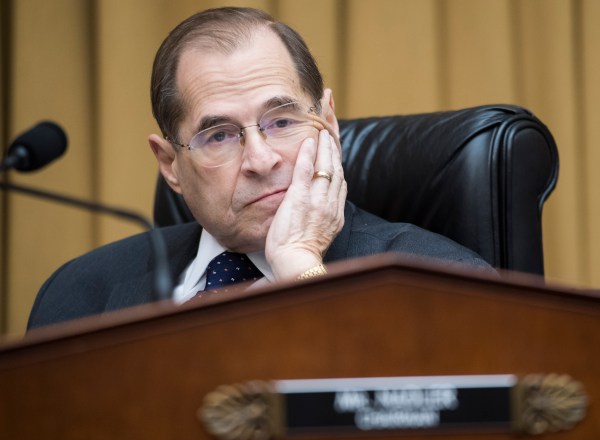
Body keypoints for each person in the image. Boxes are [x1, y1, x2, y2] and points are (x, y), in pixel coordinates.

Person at [28, 7, 492, 329]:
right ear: (170, 164)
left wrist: (299, 269)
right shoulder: (79, 293)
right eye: (220, 135)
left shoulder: (442, 283)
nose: (261, 159)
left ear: (328, 123)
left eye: (283, 121)